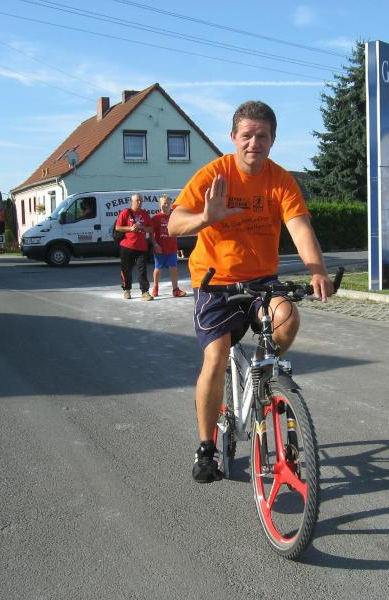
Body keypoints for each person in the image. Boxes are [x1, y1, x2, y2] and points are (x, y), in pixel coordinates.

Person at [169, 100, 333, 483]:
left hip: (261, 281)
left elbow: (300, 227)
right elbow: (175, 223)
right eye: (246, 135)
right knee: (215, 357)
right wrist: (205, 218)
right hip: (215, 283)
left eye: (262, 136)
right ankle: (206, 447)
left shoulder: (280, 180)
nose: (253, 143)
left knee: (287, 317)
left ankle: (258, 375)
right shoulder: (215, 174)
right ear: (233, 137)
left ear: (272, 140)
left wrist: (317, 270)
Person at [114, 193, 153, 301]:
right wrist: (130, 228)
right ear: (132, 201)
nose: (139, 203)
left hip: (142, 247)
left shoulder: (145, 213)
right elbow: (118, 227)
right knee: (126, 270)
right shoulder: (125, 212)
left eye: (141, 201)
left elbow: (151, 229)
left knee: (142, 271)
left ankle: (145, 292)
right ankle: (127, 290)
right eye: (137, 201)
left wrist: (142, 227)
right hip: (127, 246)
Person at [151, 194, 186, 298]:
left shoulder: (173, 217)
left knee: (173, 268)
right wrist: (155, 244)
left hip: (172, 247)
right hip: (160, 248)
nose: (166, 205)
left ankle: (175, 290)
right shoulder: (156, 218)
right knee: (158, 268)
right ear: (159, 205)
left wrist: (176, 245)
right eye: (164, 203)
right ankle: (155, 287)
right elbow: (151, 234)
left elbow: (177, 230)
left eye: (168, 203)